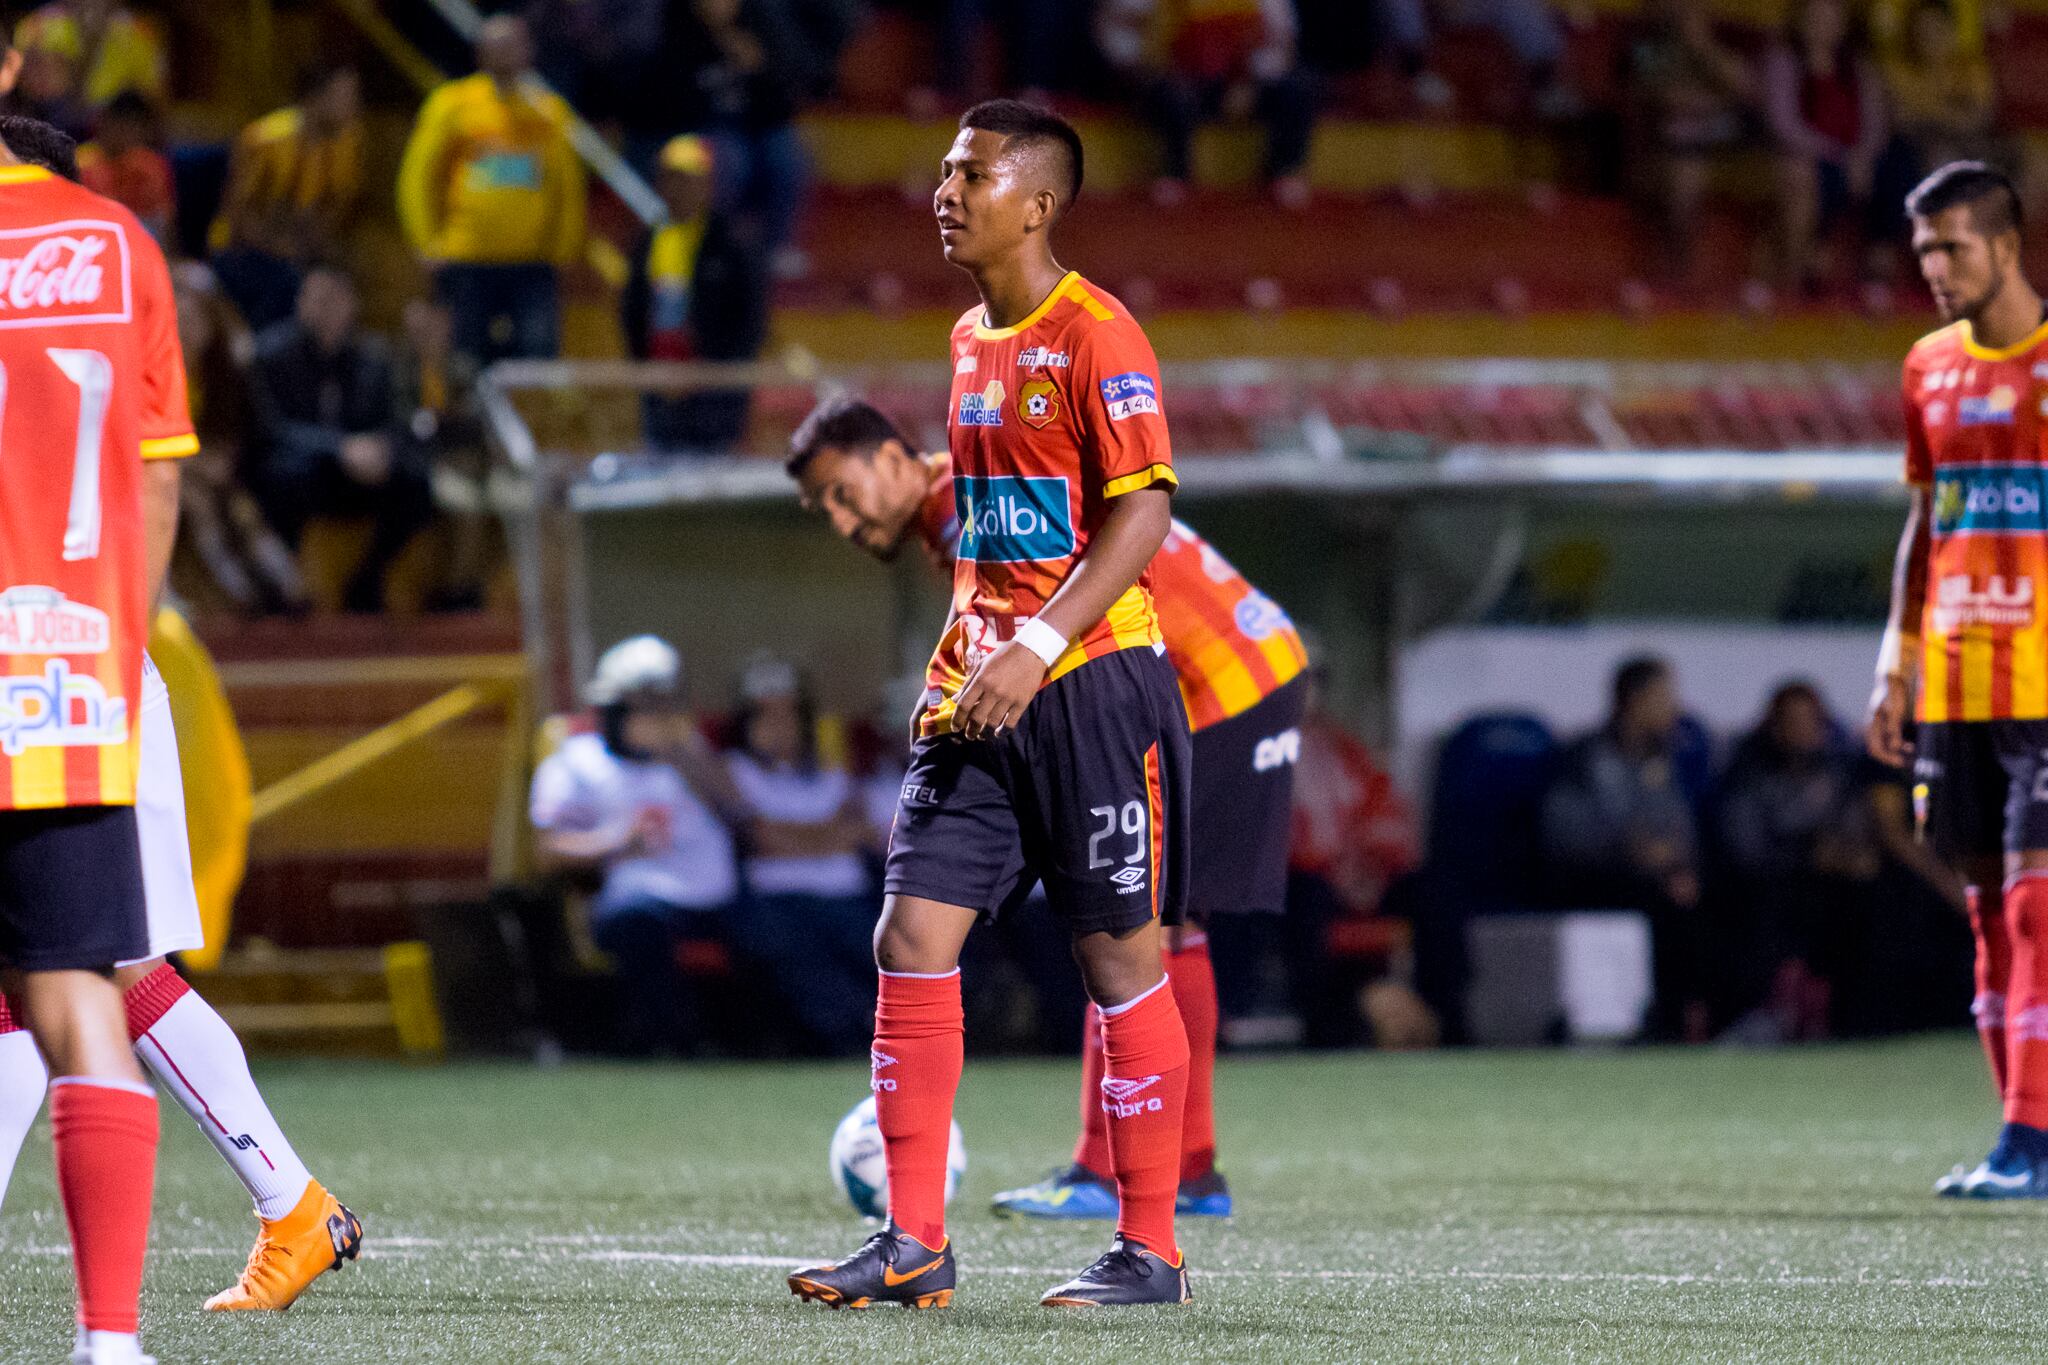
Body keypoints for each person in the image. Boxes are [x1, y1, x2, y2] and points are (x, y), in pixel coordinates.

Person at [787, 101, 1196, 1312]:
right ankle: (912, 1244)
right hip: (979, 695)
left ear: (1037, 204)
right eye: (944, 171)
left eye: (971, 174)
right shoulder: (968, 339)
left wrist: (1038, 643)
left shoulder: (1098, 334)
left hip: (1088, 685)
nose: (945, 192)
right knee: (909, 938)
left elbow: (1142, 510)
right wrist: (964, 660)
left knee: (1116, 958)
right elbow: (987, 544)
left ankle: (1152, 1252)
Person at [0, 113, 362, 1320]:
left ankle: (291, 1202)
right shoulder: (117, 287)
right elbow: (162, 473)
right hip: (98, 650)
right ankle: (291, 1206)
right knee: (50, 971)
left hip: (53, 662)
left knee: (112, 966)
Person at [787, 393, 1311, 1220]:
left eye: (842, 495)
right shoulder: (967, 492)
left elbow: (1036, 634)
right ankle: (1188, 1170)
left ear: (891, 457)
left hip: (1217, 682)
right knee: (1166, 926)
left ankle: (1119, 1172)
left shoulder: (964, 509)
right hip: (1235, 665)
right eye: (825, 512)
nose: (843, 523)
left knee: (1135, 925)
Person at [0, 66, 185, 1358]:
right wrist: (117, 648)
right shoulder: (117, 241)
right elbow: (158, 481)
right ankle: (109, 1341)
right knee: (80, 997)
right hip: (63, 674)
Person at [1869, 160, 2048, 1198]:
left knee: (2035, 911)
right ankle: (2015, 1137)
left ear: (2007, 246)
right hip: (1954, 682)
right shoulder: (1925, 367)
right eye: (1923, 250)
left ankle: (2030, 1143)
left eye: (1952, 247)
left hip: (2043, 686)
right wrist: (1892, 665)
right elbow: (1922, 524)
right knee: (1985, 916)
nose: (1933, 267)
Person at [531, 637, 739, 1055]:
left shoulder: (690, 754)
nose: (652, 716)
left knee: (775, 926)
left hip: (714, 894)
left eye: (661, 704)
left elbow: (736, 809)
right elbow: (549, 851)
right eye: (641, 705)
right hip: (636, 896)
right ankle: (670, 1042)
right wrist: (615, 841)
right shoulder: (574, 760)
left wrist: (682, 753)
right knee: (639, 927)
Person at [397, 14, 585, 366]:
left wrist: (564, 249)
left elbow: (567, 185)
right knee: (465, 363)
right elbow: (417, 176)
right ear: (480, 53)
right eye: (496, 46)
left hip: (532, 264)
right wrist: (426, 241)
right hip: (466, 260)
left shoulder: (549, 111)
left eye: (512, 45)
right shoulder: (452, 103)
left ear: (528, 51)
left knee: (536, 362)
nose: (505, 54)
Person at [246, 267, 435, 614]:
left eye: (334, 299)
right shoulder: (272, 354)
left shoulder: (374, 356)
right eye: (317, 299)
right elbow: (270, 427)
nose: (325, 309)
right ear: (301, 302)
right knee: (276, 478)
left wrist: (380, 448)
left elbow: (398, 419)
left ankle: (367, 581)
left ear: (352, 304)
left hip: (361, 471)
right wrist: (339, 448)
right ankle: (282, 589)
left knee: (416, 483)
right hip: (305, 468)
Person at [1540, 655, 1709, 1040]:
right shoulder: (1584, 757)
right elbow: (1563, 832)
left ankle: (1701, 1024)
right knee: (1659, 904)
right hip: (1596, 879)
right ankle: (1653, 1027)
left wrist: (1677, 865)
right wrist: (1628, 851)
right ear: (1635, 699)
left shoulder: (1663, 758)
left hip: (1658, 879)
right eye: (1664, 696)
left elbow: (1681, 827)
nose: (1673, 707)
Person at [721, 655, 877, 1054]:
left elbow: (859, 832)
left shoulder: (832, 769)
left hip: (846, 895)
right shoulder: (735, 769)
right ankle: (852, 1041)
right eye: (765, 715)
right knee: (800, 955)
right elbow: (760, 840)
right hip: (779, 899)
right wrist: (827, 835)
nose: (778, 724)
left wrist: (790, 837)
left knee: (888, 950)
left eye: (787, 713)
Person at [1711, 681, 1863, 1041]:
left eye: (1810, 721)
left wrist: (1844, 855)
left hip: (1830, 886)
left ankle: (1858, 1016)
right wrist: (1808, 855)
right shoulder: (1747, 773)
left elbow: (1854, 829)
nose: (1803, 730)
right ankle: (1765, 1013)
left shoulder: (1837, 771)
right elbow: (1746, 848)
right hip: (1768, 885)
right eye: (1793, 721)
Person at [172, 260, 308, 616]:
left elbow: (226, 450)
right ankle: (238, 591)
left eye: (195, 318)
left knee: (241, 507)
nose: (186, 329)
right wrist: (192, 462)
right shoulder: (153, 370)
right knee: (196, 501)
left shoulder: (225, 372)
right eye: (179, 319)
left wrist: (197, 462)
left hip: (212, 472)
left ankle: (288, 587)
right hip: (167, 473)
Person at [620, 133, 769, 453]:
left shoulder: (731, 243)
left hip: (714, 389)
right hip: (660, 383)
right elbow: (632, 309)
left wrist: (714, 373)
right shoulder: (648, 240)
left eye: (689, 179)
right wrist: (646, 367)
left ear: (706, 185)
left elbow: (749, 318)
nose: (680, 188)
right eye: (672, 178)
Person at [1096, 0, 1320, 210]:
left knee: (1299, 86)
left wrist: (1247, 81)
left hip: (1244, 84)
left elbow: (1282, 40)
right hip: (1177, 83)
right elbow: (1119, 31)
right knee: (1170, 96)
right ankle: (1175, 173)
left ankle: (1285, 169)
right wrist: (1151, 68)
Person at [208, 64, 365, 332]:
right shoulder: (266, 140)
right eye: (343, 96)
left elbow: (330, 210)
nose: (352, 106)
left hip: (296, 252)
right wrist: (282, 248)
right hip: (240, 250)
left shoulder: (346, 144)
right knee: (287, 286)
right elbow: (238, 213)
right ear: (314, 99)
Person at [1763, 0, 1899, 290]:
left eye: (1830, 17)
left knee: (1898, 168)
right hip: (1810, 154)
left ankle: (1879, 266)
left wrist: (1861, 156)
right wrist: (1834, 154)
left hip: (1856, 156)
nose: (1823, 24)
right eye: (1815, 16)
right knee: (1802, 175)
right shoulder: (1784, 62)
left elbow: (1875, 124)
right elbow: (1784, 123)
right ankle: (1802, 272)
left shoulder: (1859, 67)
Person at [1622, 0, 1756, 280]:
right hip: (1669, 151)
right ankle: (1677, 276)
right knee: (1685, 177)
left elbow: (1748, 89)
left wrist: (1703, 48)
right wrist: (1719, 103)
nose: (1685, 11)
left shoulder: (1723, 45)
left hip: (1723, 148)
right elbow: (1667, 99)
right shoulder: (1647, 46)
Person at [1881, 1, 1998, 182]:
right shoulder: (1902, 73)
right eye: (1924, 31)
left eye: (1937, 29)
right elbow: (1902, 119)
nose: (1931, 38)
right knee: (1940, 157)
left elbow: (1977, 118)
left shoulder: (1969, 68)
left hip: (1973, 144)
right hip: (1924, 151)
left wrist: (1926, 112)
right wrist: (1951, 112)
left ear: (1951, 30)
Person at [12, 0, 163, 110]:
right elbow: (28, 93)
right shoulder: (37, 25)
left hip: (113, 129)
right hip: (52, 122)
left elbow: (151, 103)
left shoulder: (140, 33)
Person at [75, 90, 167, 241]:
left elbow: (163, 220)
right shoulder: (82, 163)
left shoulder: (150, 165)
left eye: (133, 127)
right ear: (104, 123)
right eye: (120, 125)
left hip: (139, 237)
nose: (125, 133)